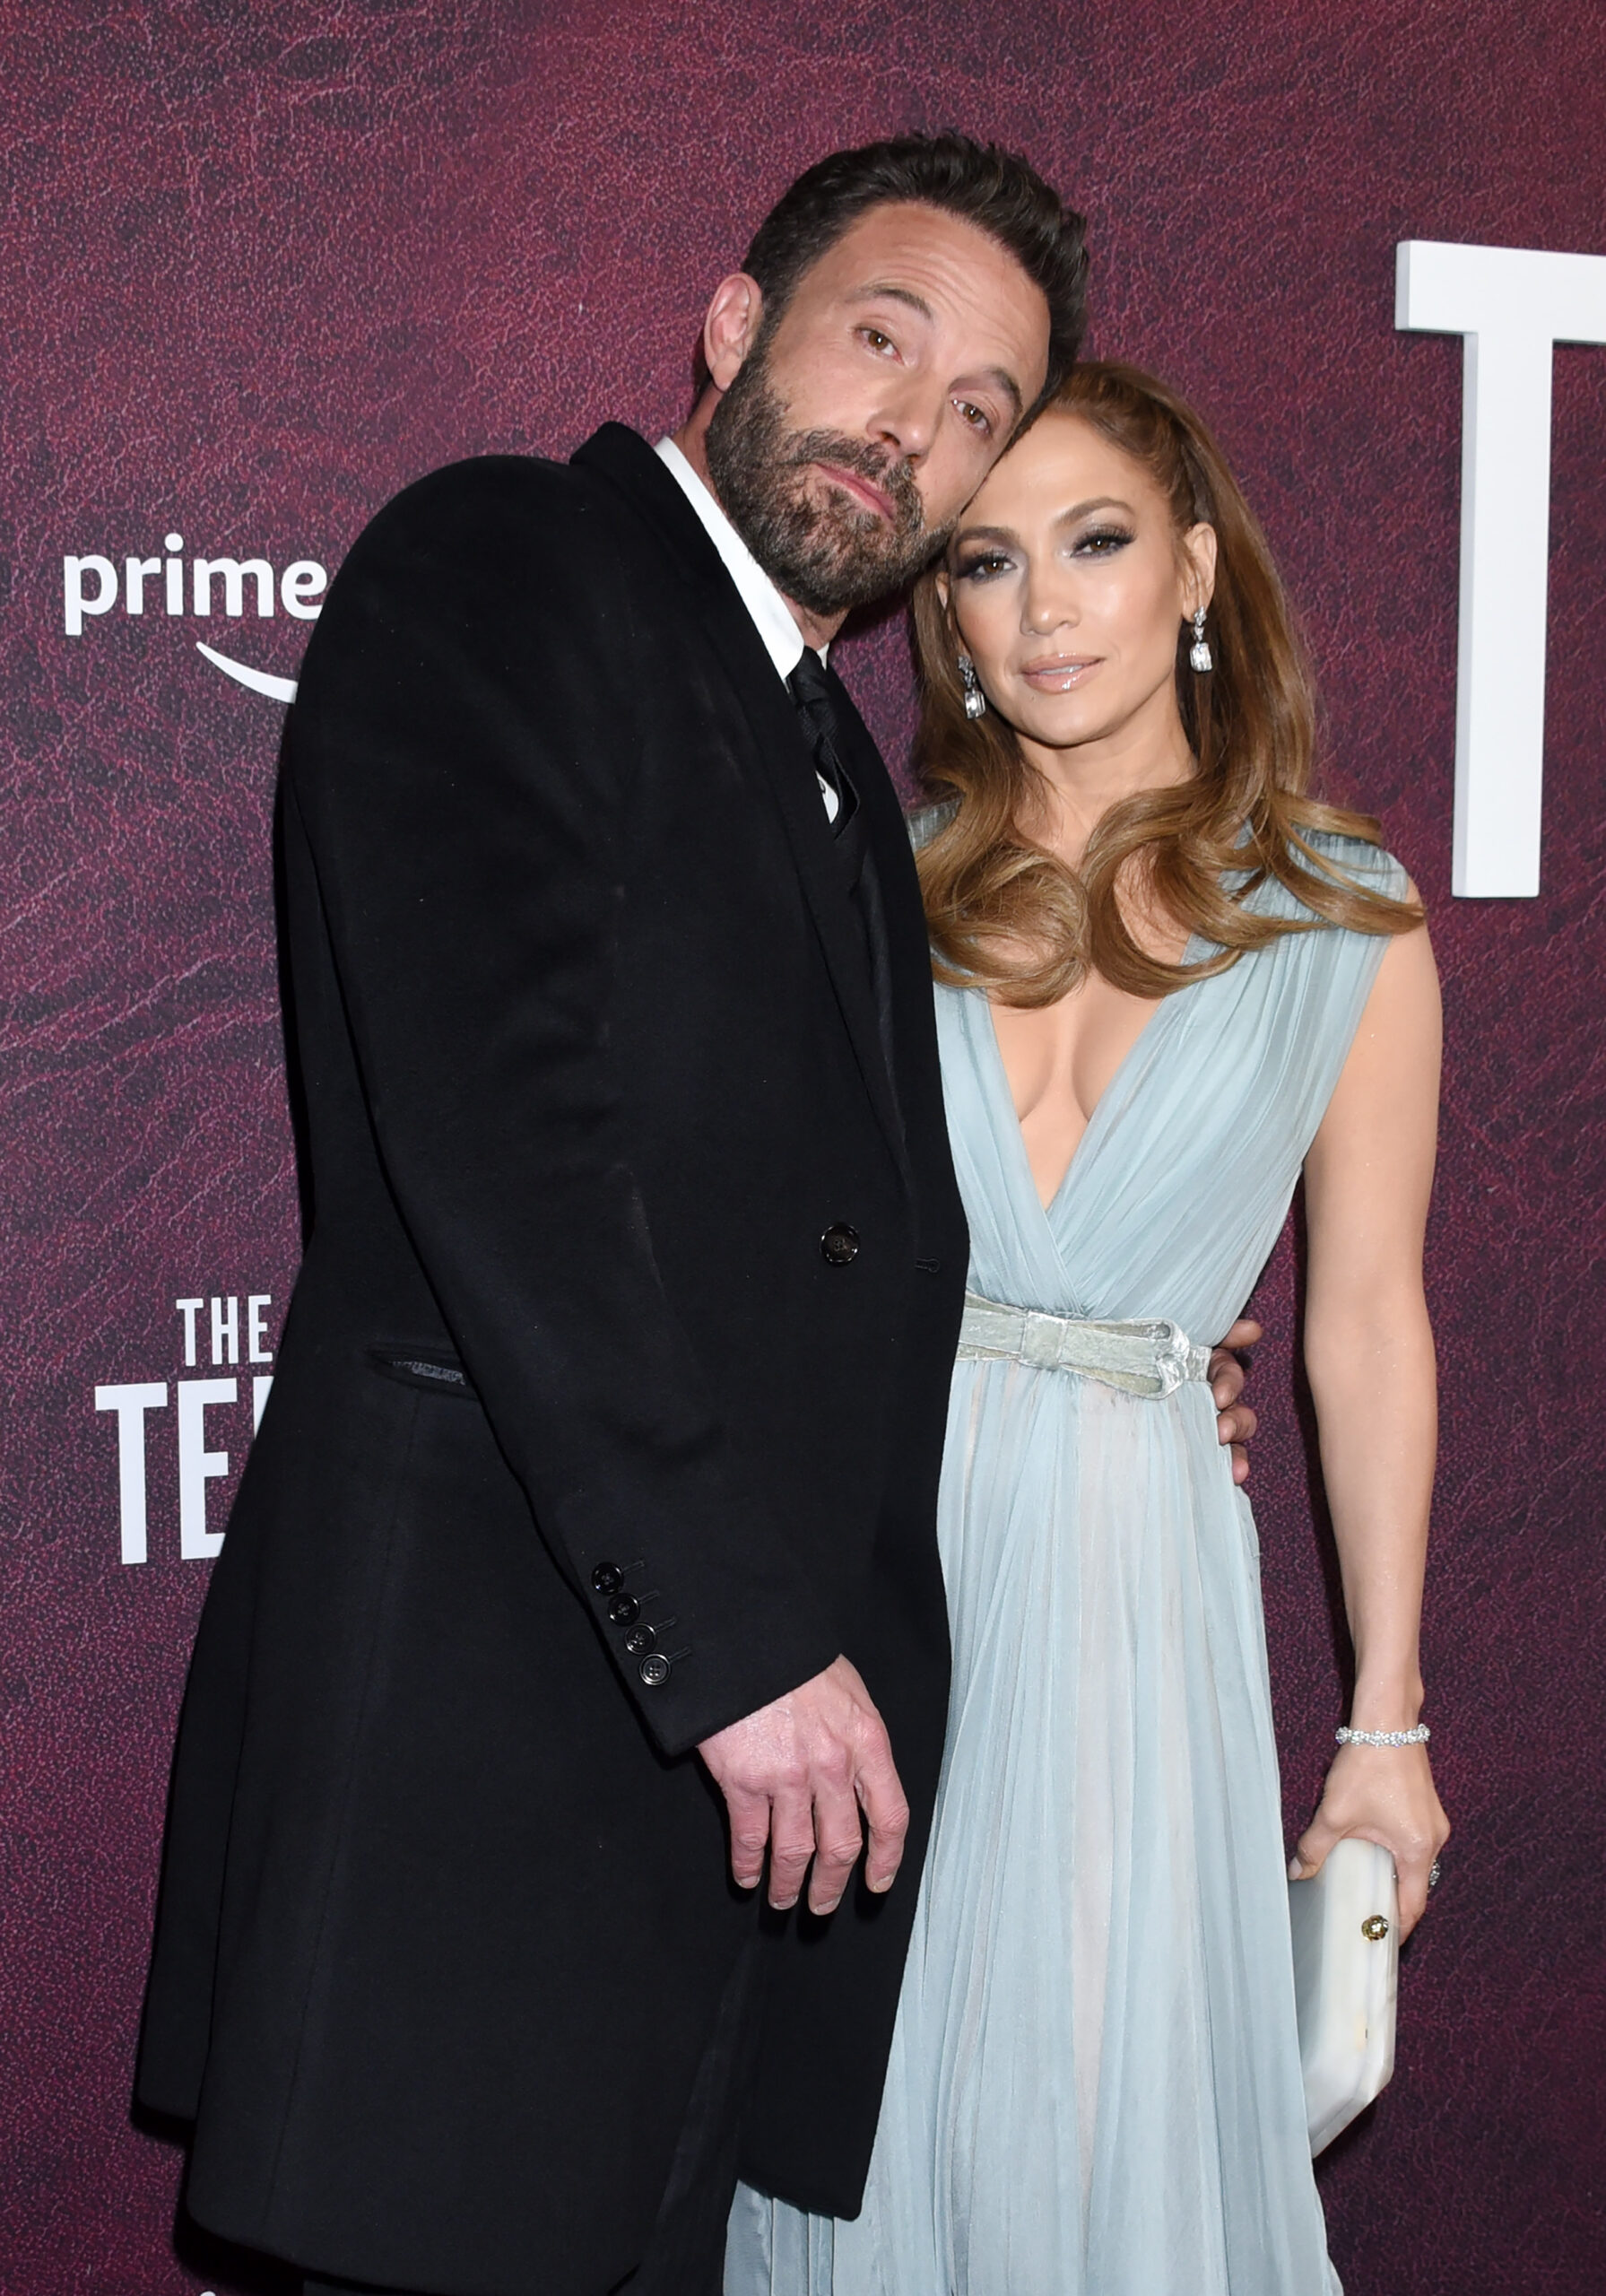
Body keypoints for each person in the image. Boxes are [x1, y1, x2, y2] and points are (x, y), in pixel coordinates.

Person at [136, 138, 1261, 2296]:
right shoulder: (505, 561)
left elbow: (821, 1220)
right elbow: (503, 1139)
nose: (906, 431)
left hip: (693, 1850)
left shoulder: (839, 774)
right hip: (483, 1772)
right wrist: (737, 1641)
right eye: (879, 339)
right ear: (734, 328)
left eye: (974, 417)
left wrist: (1105, 1355)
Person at [726, 362, 1452, 2295]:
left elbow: (1362, 1324)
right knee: (862, 2110)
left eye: (1097, 541)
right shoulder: (865, 879)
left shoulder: (1343, 919)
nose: (1042, 605)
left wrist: (1380, 1717)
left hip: (1135, 1585)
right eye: (982, 559)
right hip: (870, 1565)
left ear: (1196, 567)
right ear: (937, 617)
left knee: (1086, 2093)